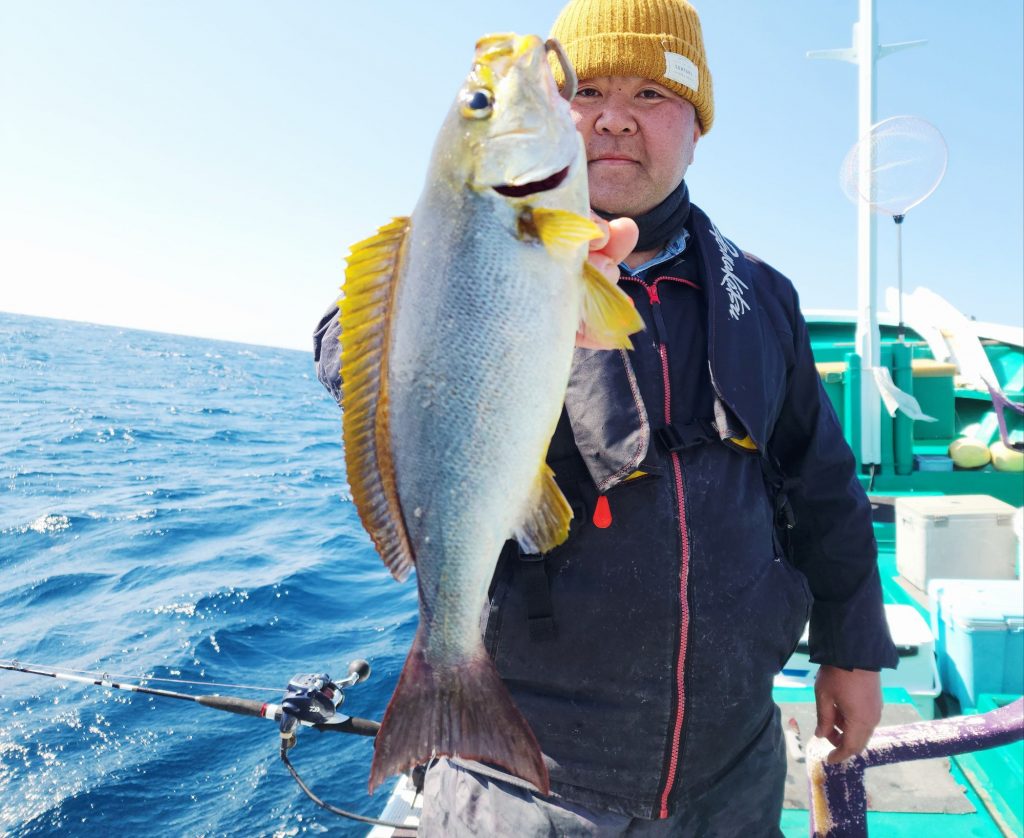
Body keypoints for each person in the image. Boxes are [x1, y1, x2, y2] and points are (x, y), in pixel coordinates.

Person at [313, 1, 899, 834]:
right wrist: (483, 320)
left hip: (735, 762)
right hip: (528, 776)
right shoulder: (469, 238)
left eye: (652, 95)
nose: (616, 119)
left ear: (696, 128)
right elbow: (342, 342)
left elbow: (822, 480)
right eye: (587, 91)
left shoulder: (765, 296)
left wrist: (852, 645)